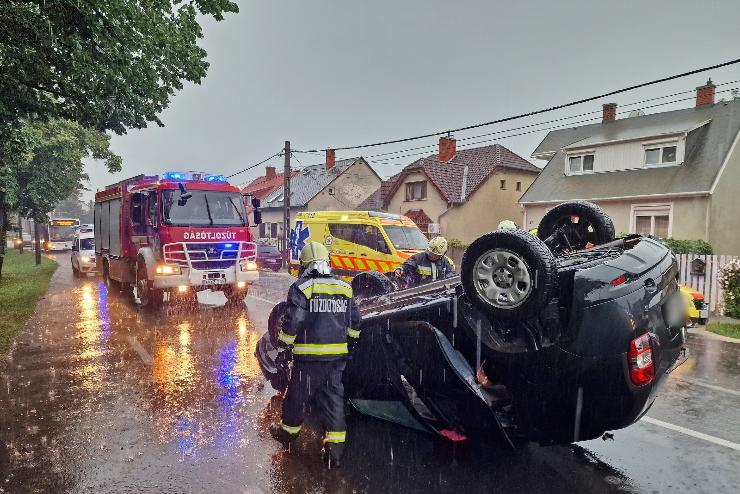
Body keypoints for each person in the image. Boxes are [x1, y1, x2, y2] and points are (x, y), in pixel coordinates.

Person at [269, 242, 361, 468]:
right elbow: (355, 324)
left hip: (309, 358)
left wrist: (283, 348)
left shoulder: (303, 287)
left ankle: (288, 434)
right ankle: (334, 451)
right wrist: (348, 343)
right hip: (336, 358)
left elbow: (293, 323)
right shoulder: (345, 287)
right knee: (334, 401)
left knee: (297, 398)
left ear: (305, 264)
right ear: (327, 261)